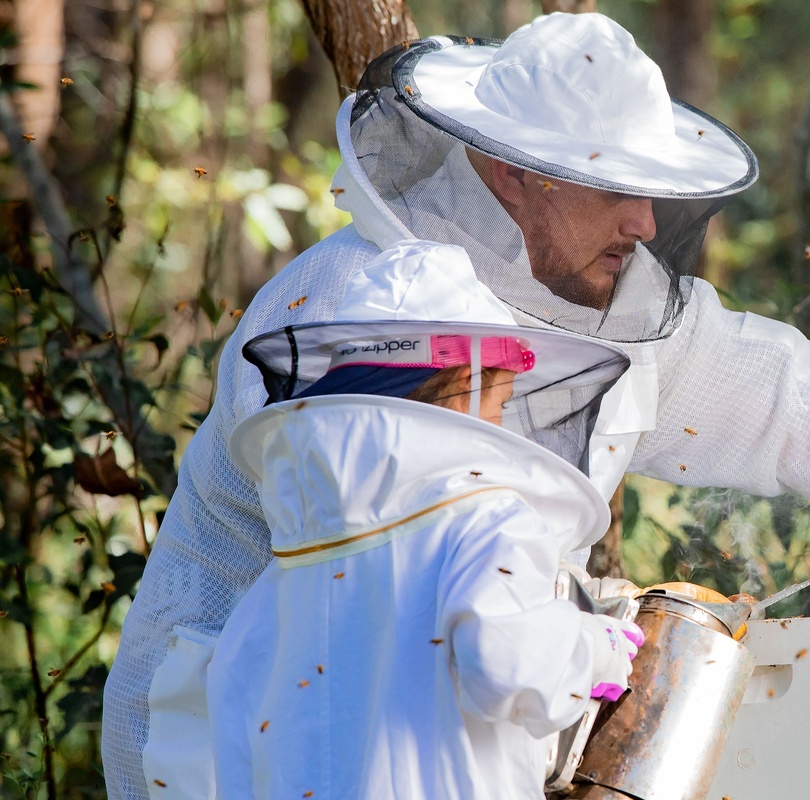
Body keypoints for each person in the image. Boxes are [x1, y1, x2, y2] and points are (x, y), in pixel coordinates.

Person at [104, 13, 810, 798]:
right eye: (613, 186)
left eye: (650, 187)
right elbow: (406, 591)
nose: (644, 219)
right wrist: (604, 626)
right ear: (511, 172)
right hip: (229, 751)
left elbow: (798, 402)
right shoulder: (360, 319)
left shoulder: (593, 298)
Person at [208, 241, 643, 798]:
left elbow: (233, 715)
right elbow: (505, 660)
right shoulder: (486, 519)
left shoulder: (292, 562)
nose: (502, 424)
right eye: (500, 405)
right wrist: (596, 645)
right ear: (465, 390)